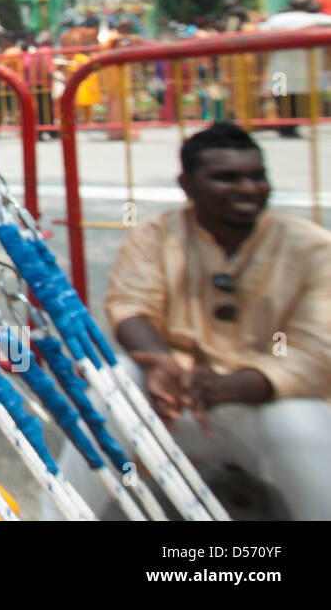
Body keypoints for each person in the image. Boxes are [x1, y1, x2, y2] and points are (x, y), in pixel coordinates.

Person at [48, 123, 331, 519]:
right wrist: (161, 364)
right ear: (187, 184)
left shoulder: (313, 248)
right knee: (113, 385)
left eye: (256, 177)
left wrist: (231, 385)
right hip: (175, 399)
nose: (248, 189)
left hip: (263, 404)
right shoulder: (156, 235)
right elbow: (131, 306)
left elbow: (316, 352)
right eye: (227, 178)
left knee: (301, 422)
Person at [260, 0, 331, 137]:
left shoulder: (277, 20)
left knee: (281, 97)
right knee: (300, 99)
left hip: (280, 68)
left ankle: (284, 126)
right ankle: (292, 125)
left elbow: (260, 29)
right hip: (306, 68)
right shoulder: (316, 19)